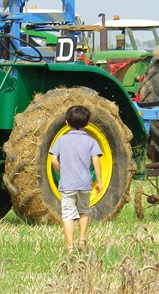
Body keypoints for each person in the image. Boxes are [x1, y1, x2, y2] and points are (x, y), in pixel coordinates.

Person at [50, 105, 102, 254]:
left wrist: (62, 172)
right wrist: (99, 181)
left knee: (68, 215)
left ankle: (70, 247)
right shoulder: (91, 141)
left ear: (66, 122)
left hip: (67, 184)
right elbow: (96, 162)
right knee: (84, 211)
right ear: (87, 123)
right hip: (85, 184)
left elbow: (54, 160)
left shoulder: (61, 140)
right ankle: (82, 240)